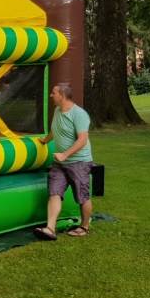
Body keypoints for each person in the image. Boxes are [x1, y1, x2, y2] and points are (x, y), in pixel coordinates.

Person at [34, 83, 94, 240]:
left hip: (79, 162)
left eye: (53, 93)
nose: (51, 95)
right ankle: (50, 229)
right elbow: (56, 129)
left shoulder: (79, 115)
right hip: (60, 163)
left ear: (62, 96)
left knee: (82, 196)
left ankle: (85, 227)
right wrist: (45, 140)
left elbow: (82, 140)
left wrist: (65, 155)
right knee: (54, 192)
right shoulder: (57, 111)